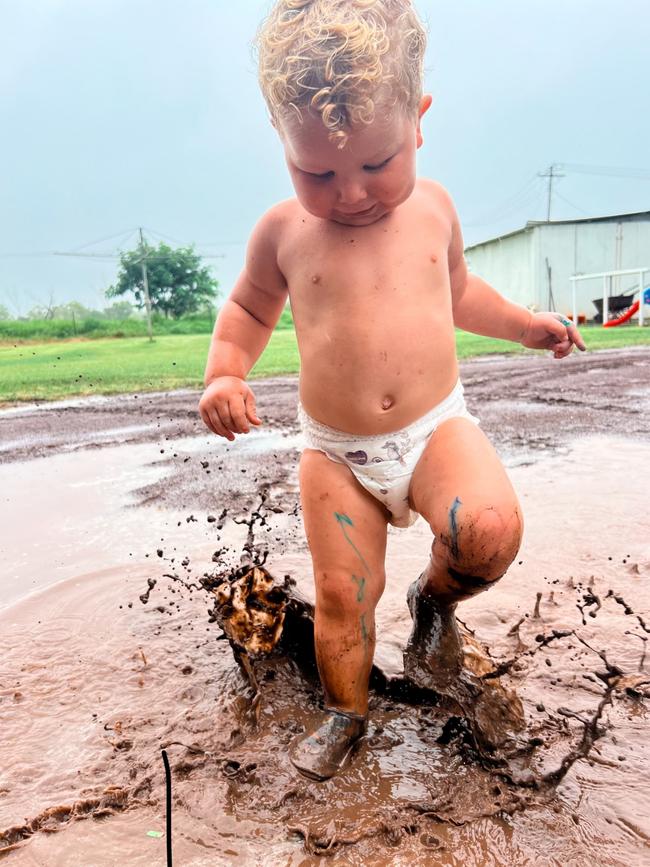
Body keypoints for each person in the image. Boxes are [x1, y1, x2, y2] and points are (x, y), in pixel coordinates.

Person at [198, 0, 586, 781]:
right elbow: (245, 310)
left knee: (491, 529)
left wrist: (525, 326)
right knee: (344, 595)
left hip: (435, 428)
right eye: (317, 172)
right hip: (335, 454)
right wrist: (226, 372)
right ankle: (347, 714)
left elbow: (462, 294)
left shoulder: (433, 211)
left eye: (375, 164)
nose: (348, 194)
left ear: (418, 121)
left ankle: (435, 602)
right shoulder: (283, 233)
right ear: (282, 145)